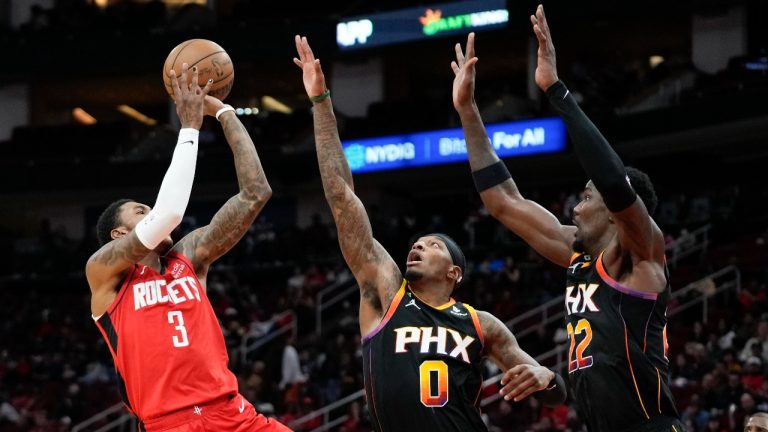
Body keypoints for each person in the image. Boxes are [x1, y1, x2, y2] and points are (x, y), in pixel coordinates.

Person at [293, 35, 566, 432]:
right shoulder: (386, 292)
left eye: (433, 245)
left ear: (454, 272)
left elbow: (552, 392)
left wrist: (547, 376)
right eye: (418, 242)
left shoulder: (481, 324)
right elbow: (340, 194)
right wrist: (320, 103)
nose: (418, 245)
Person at [451, 5, 684, 432]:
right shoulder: (575, 253)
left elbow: (613, 180)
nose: (581, 195)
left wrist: (555, 89)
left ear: (617, 214)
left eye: (589, 192)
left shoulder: (640, 252)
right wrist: (468, 112)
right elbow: (503, 201)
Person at [85, 63, 290, 432]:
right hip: (169, 423)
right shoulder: (103, 273)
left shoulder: (188, 258)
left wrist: (225, 113)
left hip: (233, 414)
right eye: (140, 211)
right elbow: (168, 213)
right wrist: (190, 127)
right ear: (118, 234)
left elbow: (256, 193)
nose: (150, 213)